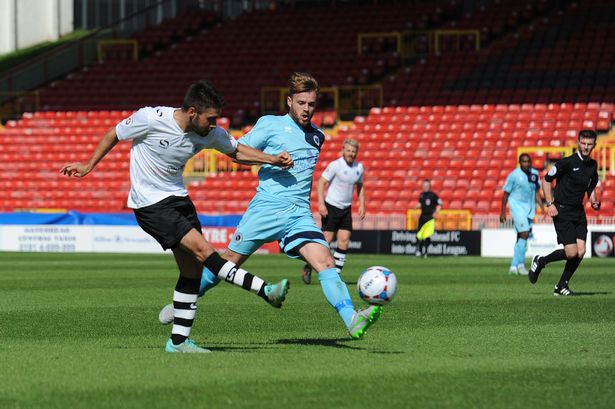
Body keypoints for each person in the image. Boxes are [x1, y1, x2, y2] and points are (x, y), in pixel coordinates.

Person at [60, 80, 294, 353]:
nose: (214, 124)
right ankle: (265, 291)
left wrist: (272, 159)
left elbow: (237, 151)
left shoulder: (209, 133)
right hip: (150, 205)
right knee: (204, 250)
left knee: (191, 271)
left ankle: (178, 342)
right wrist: (89, 165)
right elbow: (115, 133)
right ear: (193, 112)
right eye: (211, 118)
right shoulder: (150, 118)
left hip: (179, 200)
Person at [159, 73, 382, 339]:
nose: (306, 109)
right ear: (289, 101)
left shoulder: (317, 137)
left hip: (298, 214)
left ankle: (352, 320)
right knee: (228, 262)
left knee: (326, 261)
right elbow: (237, 153)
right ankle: (182, 302)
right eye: (301, 103)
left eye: (311, 104)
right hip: (266, 209)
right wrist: (272, 159)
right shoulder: (270, 124)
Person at [529, 130, 601, 296]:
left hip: (578, 211)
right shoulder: (567, 162)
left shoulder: (593, 165)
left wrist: (594, 201)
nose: (586, 147)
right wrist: (549, 204)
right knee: (571, 252)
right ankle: (541, 260)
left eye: (589, 144)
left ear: (594, 145)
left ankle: (561, 286)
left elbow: (590, 187)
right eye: (583, 143)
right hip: (561, 210)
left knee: (581, 251)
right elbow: (546, 180)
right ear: (578, 142)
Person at [301, 138, 366, 285]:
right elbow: (321, 182)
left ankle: (335, 275)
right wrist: (321, 203)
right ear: (343, 150)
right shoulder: (336, 165)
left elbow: (360, 186)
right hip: (331, 207)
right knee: (325, 242)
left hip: (346, 208)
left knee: (344, 241)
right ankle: (308, 266)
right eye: (348, 150)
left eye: (353, 151)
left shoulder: (358, 168)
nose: (351, 153)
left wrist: (362, 204)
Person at [499, 153, 544, 275]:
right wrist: (502, 212)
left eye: (528, 161)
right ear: (520, 162)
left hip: (529, 209)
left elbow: (536, 191)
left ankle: (514, 266)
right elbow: (505, 193)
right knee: (524, 233)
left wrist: (542, 207)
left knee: (521, 236)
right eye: (524, 161)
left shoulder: (535, 174)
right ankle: (520, 264)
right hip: (516, 207)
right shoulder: (514, 175)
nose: (526, 164)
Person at [415, 179, 441, 258]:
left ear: (429, 186)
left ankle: (426, 251)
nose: (425, 187)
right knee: (419, 235)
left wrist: (436, 212)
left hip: (429, 218)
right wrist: (418, 206)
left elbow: (439, 204)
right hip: (422, 216)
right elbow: (420, 204)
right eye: (424, 185)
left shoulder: (433, 195)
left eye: (427, 185)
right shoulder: (421, 195)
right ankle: (419, 250)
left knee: (427, 235)